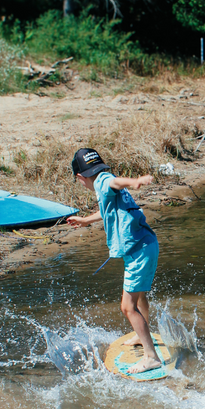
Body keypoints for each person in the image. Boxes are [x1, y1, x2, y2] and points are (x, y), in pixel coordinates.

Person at [67, 148, 163, 374]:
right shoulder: (104, 185)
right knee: (139, 298)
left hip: (138, 250)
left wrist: (135, 181)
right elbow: (106, 210)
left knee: (127, 307)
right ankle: (143, 339)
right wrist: (84, 221)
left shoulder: (102, 182)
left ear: (80, 177)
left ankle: (151, 357)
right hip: (145, 245)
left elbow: (114, 182)